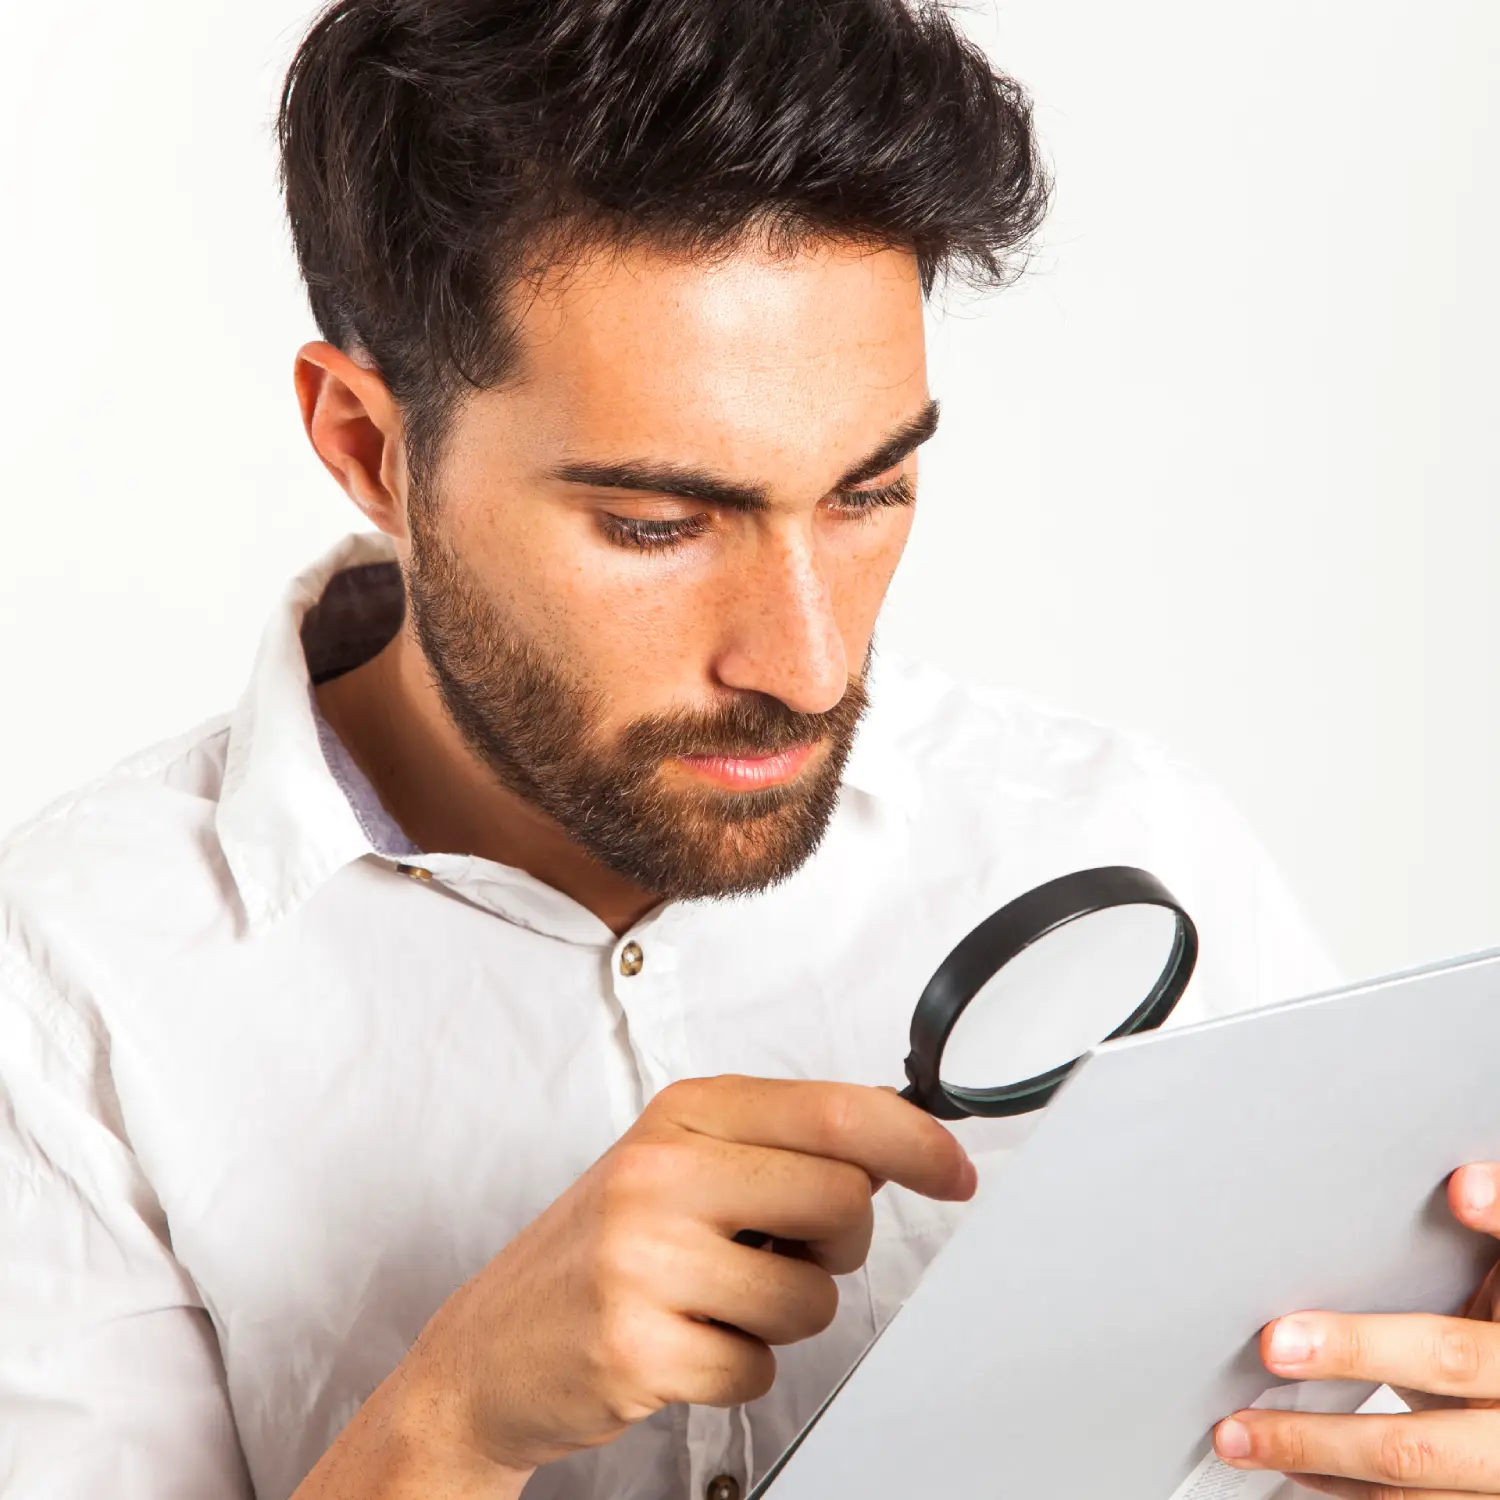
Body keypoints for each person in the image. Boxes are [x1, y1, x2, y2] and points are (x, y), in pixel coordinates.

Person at [2, 2, 1498, 1497]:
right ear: (369, 448)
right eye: (659, 524)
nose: (807, 663)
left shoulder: (1117, 830)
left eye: (870, 492)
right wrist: (446, 1426)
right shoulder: (72, 986)